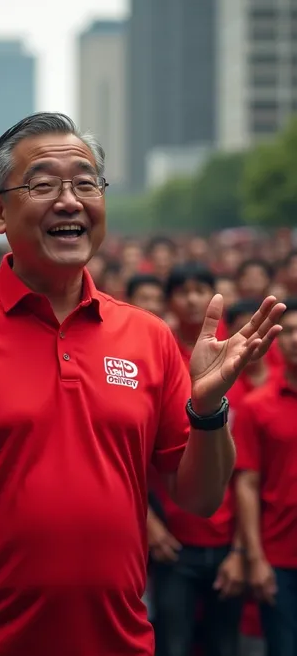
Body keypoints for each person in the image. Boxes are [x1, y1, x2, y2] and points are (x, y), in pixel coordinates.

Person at [0, 113, 284, 656]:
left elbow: (200, 499)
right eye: (43, 184)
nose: (69, 200)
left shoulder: (147, 336)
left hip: (119, 643)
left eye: (86, 182)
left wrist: (208, 411)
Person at [149, 264, 245, 656]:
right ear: (169, 299)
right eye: (182, 291)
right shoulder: (159, 355)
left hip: (228, 538)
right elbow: (132, 455)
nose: (191, 299)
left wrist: (242, 549)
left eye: (200, 290)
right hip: (172, 539)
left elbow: (251, 473)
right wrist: (149, 525)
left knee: (226, 644)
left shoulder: (235, 355)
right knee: (174, 642)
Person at [234, 299, 297, 656]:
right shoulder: (258, 405)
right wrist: (254, 556)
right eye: (291, 332)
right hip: (279, 559)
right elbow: (247, 483)